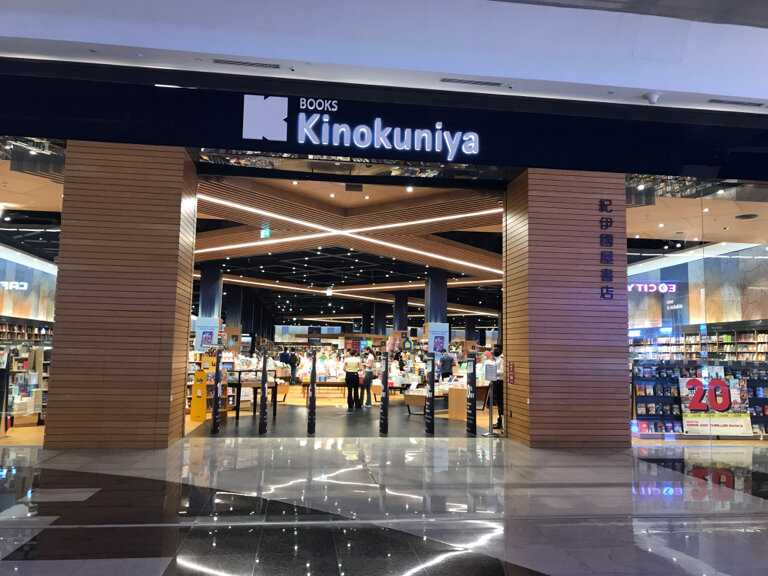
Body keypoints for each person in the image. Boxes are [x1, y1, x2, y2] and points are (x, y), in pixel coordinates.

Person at [492, 345, 504, 429]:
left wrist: (493, 371)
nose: (494, 351)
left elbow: (503, 371)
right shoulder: (497, 358)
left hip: (500, 382)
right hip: (497, 381)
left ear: (500, 350)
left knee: (500, 403)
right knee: (498, 403)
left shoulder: (502, 359)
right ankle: (499, 421)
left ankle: (501, 423)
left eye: (496, 349)